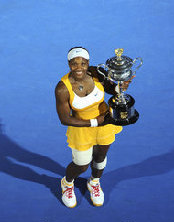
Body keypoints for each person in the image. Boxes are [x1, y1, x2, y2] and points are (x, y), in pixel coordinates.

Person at [55, 47, 131, 208]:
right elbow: (64, 119)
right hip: (83, 128)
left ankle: (94, 182)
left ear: (88, 63)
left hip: (105, 123)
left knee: (100, 158)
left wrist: (121, 87)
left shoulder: (97, 72)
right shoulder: (62, 88)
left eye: (83, 63)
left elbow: (112, 89)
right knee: (81, 164)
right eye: (74, 64)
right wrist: (95, 122)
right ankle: (67, 183)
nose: (79, 67)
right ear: (68, 64)